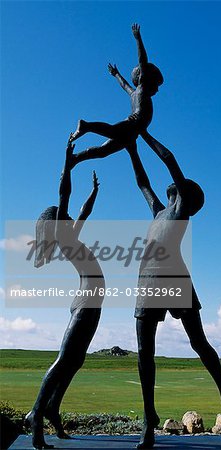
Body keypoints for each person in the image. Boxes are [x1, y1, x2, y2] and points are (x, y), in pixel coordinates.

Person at [127, 132, 221, 449]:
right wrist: (131, 147)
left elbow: (170, 161)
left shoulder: (179, 212)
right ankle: (148, 418)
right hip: (147, 282)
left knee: (199, 343)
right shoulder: (158, 211)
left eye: (181, 187)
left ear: (183, 197)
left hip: (175, 278)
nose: (176, 186)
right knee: (144, 352)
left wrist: (144, 133)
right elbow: (142, 182)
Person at [25, 139, 105, 449]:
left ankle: (53, 410)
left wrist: (94, 192)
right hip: (85, 302)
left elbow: (81, 210)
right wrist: (67, 163)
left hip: (91, 301)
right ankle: (36, 413)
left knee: (76, 361)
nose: (70, 215)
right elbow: (65, 194)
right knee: (63, 360)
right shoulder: (62, 235)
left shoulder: (70, 235)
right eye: (64, 213)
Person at [69, 24, 163, 166]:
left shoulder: (134, 94)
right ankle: (86, 126)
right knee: (112, 131)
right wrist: (138, 38)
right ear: (146, 79)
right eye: (156, 84)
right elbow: (142, 61)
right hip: (132, 125)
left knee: (103, 151)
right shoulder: (141, 89)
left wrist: (116, 74)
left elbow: (124, 85)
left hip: (132, 133)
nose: (157, 89)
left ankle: (76, 158)